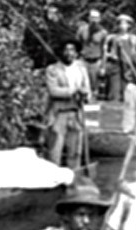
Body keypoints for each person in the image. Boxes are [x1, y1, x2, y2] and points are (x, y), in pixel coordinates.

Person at [45, 39, 92, 169]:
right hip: (59, 114)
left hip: (76, 113)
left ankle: (73, 180)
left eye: (72, 50)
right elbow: (53, 91)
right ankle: (52, 181)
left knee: (75, 151)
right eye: (66, 50)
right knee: (55, 151)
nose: (69, 53)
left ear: (77, 53)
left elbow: (87, 89)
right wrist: (73, 91)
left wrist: (85, 95)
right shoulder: (53, 69)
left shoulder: (81, 69)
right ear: (61, 52)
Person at [25, 2, 76, 71]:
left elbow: (70, 40)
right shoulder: (36, 26)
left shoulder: (63, 27)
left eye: (55, 12)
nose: (52, 13)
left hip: (59, 64)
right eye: (50, 10)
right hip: (41, 64)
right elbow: (28, 44)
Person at [101, 14, 136, 102]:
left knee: (127, 91)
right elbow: (105, 52)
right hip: (115, 66)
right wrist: (104, 66)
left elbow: (134, 53)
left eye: (125, 23)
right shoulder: (111, 37)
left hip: (127, 67)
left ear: (129, 25)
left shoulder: (133, 38)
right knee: (114, 91)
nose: (122, 26)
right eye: (120, 23)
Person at [76, 9, 108, 99]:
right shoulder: (82, 30)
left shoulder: (103, 32)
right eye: (92, 17)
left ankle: (93, 103)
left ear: (99, 19)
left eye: (96, 18)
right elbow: (76, 45)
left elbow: (104, 50)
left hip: (96, 61)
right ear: (89, 18)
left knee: (94, 85)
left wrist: (103, 66)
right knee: (82, 83)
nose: (94, 20)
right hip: (83, 60)